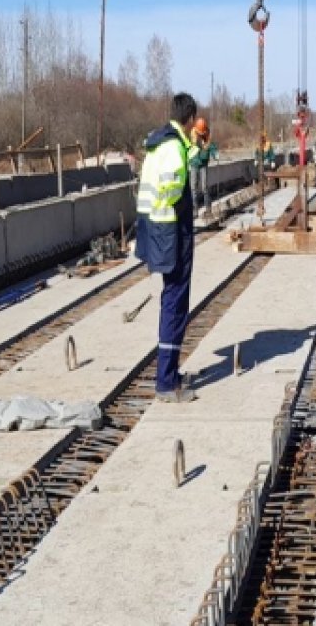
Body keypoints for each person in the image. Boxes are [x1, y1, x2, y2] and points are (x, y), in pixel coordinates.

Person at [134, 92, 199, 403]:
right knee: (175, 302)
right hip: (173, 231)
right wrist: (178, 208)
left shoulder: (157, 144)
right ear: (189, 120)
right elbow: (171, 188)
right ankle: (166, 382)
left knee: (171, 300)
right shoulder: (174, 147)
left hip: (157, 229)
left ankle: (168, 374)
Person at [189, 117, 219, 214]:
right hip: (194, 163)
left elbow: (212, 147)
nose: (201, 134)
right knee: (193, 187)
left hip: (203, 164)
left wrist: (215, 154)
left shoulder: (207, 136)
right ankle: (194, 209)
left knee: (205, 186)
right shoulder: (192, 135)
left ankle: (208, 208)